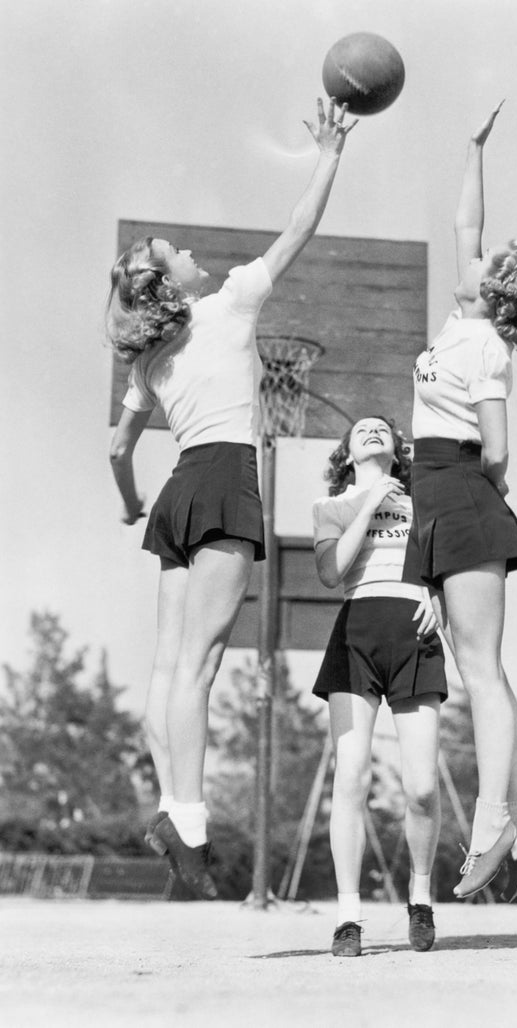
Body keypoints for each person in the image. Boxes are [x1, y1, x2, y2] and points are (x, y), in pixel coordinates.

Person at [106, 99, 357, 899]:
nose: (185, 249)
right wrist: (329, 153)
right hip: (221, 480)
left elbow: (117, 448)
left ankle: (174, 804)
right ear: (165, 284)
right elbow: (300, 226)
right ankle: (187, 817)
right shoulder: (233, 303)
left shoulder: (147, 364)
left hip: (177, 490)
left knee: (169, 667)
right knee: (202, 666)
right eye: (170, 251)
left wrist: (128, 501)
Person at [404, 102, 517, 903]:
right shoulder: (460, 319)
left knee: (481, 672)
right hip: (438, 498)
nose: (472, 255)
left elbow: (498, 450)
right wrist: (471, 146)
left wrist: (478, 499)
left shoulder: (488, 348)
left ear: (494, 292)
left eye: (487, 260)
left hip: (461, 493)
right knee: (477, 669)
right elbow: (466, 221)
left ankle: (497, 817)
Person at [312, 415, 447, 956]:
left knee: (421, 788)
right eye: (360, 430)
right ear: (347, 452)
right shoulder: (332, 507)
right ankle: (349, 917)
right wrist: (369, 501)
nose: (371, 431)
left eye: (381, 428)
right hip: (357, 634)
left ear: (398, 449)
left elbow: (444, 572)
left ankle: (420, 897)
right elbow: (330, 571)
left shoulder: (425, 505)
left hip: (414, 636)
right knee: (351, 777)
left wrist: (437, 595)